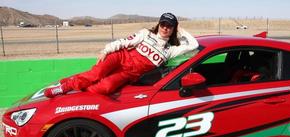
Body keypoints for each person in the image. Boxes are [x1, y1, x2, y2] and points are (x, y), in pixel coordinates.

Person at [44, 12, 199, 98]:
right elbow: (124, 41)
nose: (165, 28)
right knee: (96, 73)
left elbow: (194, 45)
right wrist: (106, 50)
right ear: (159, 25)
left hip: (129, 73)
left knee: (105, 87)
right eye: (163, 24)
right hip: (120, 57)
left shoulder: (171, 50)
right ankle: (64, 88)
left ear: (173, 29)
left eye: (170, 26)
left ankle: (73, 86)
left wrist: (181, 29)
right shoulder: (146, 34)